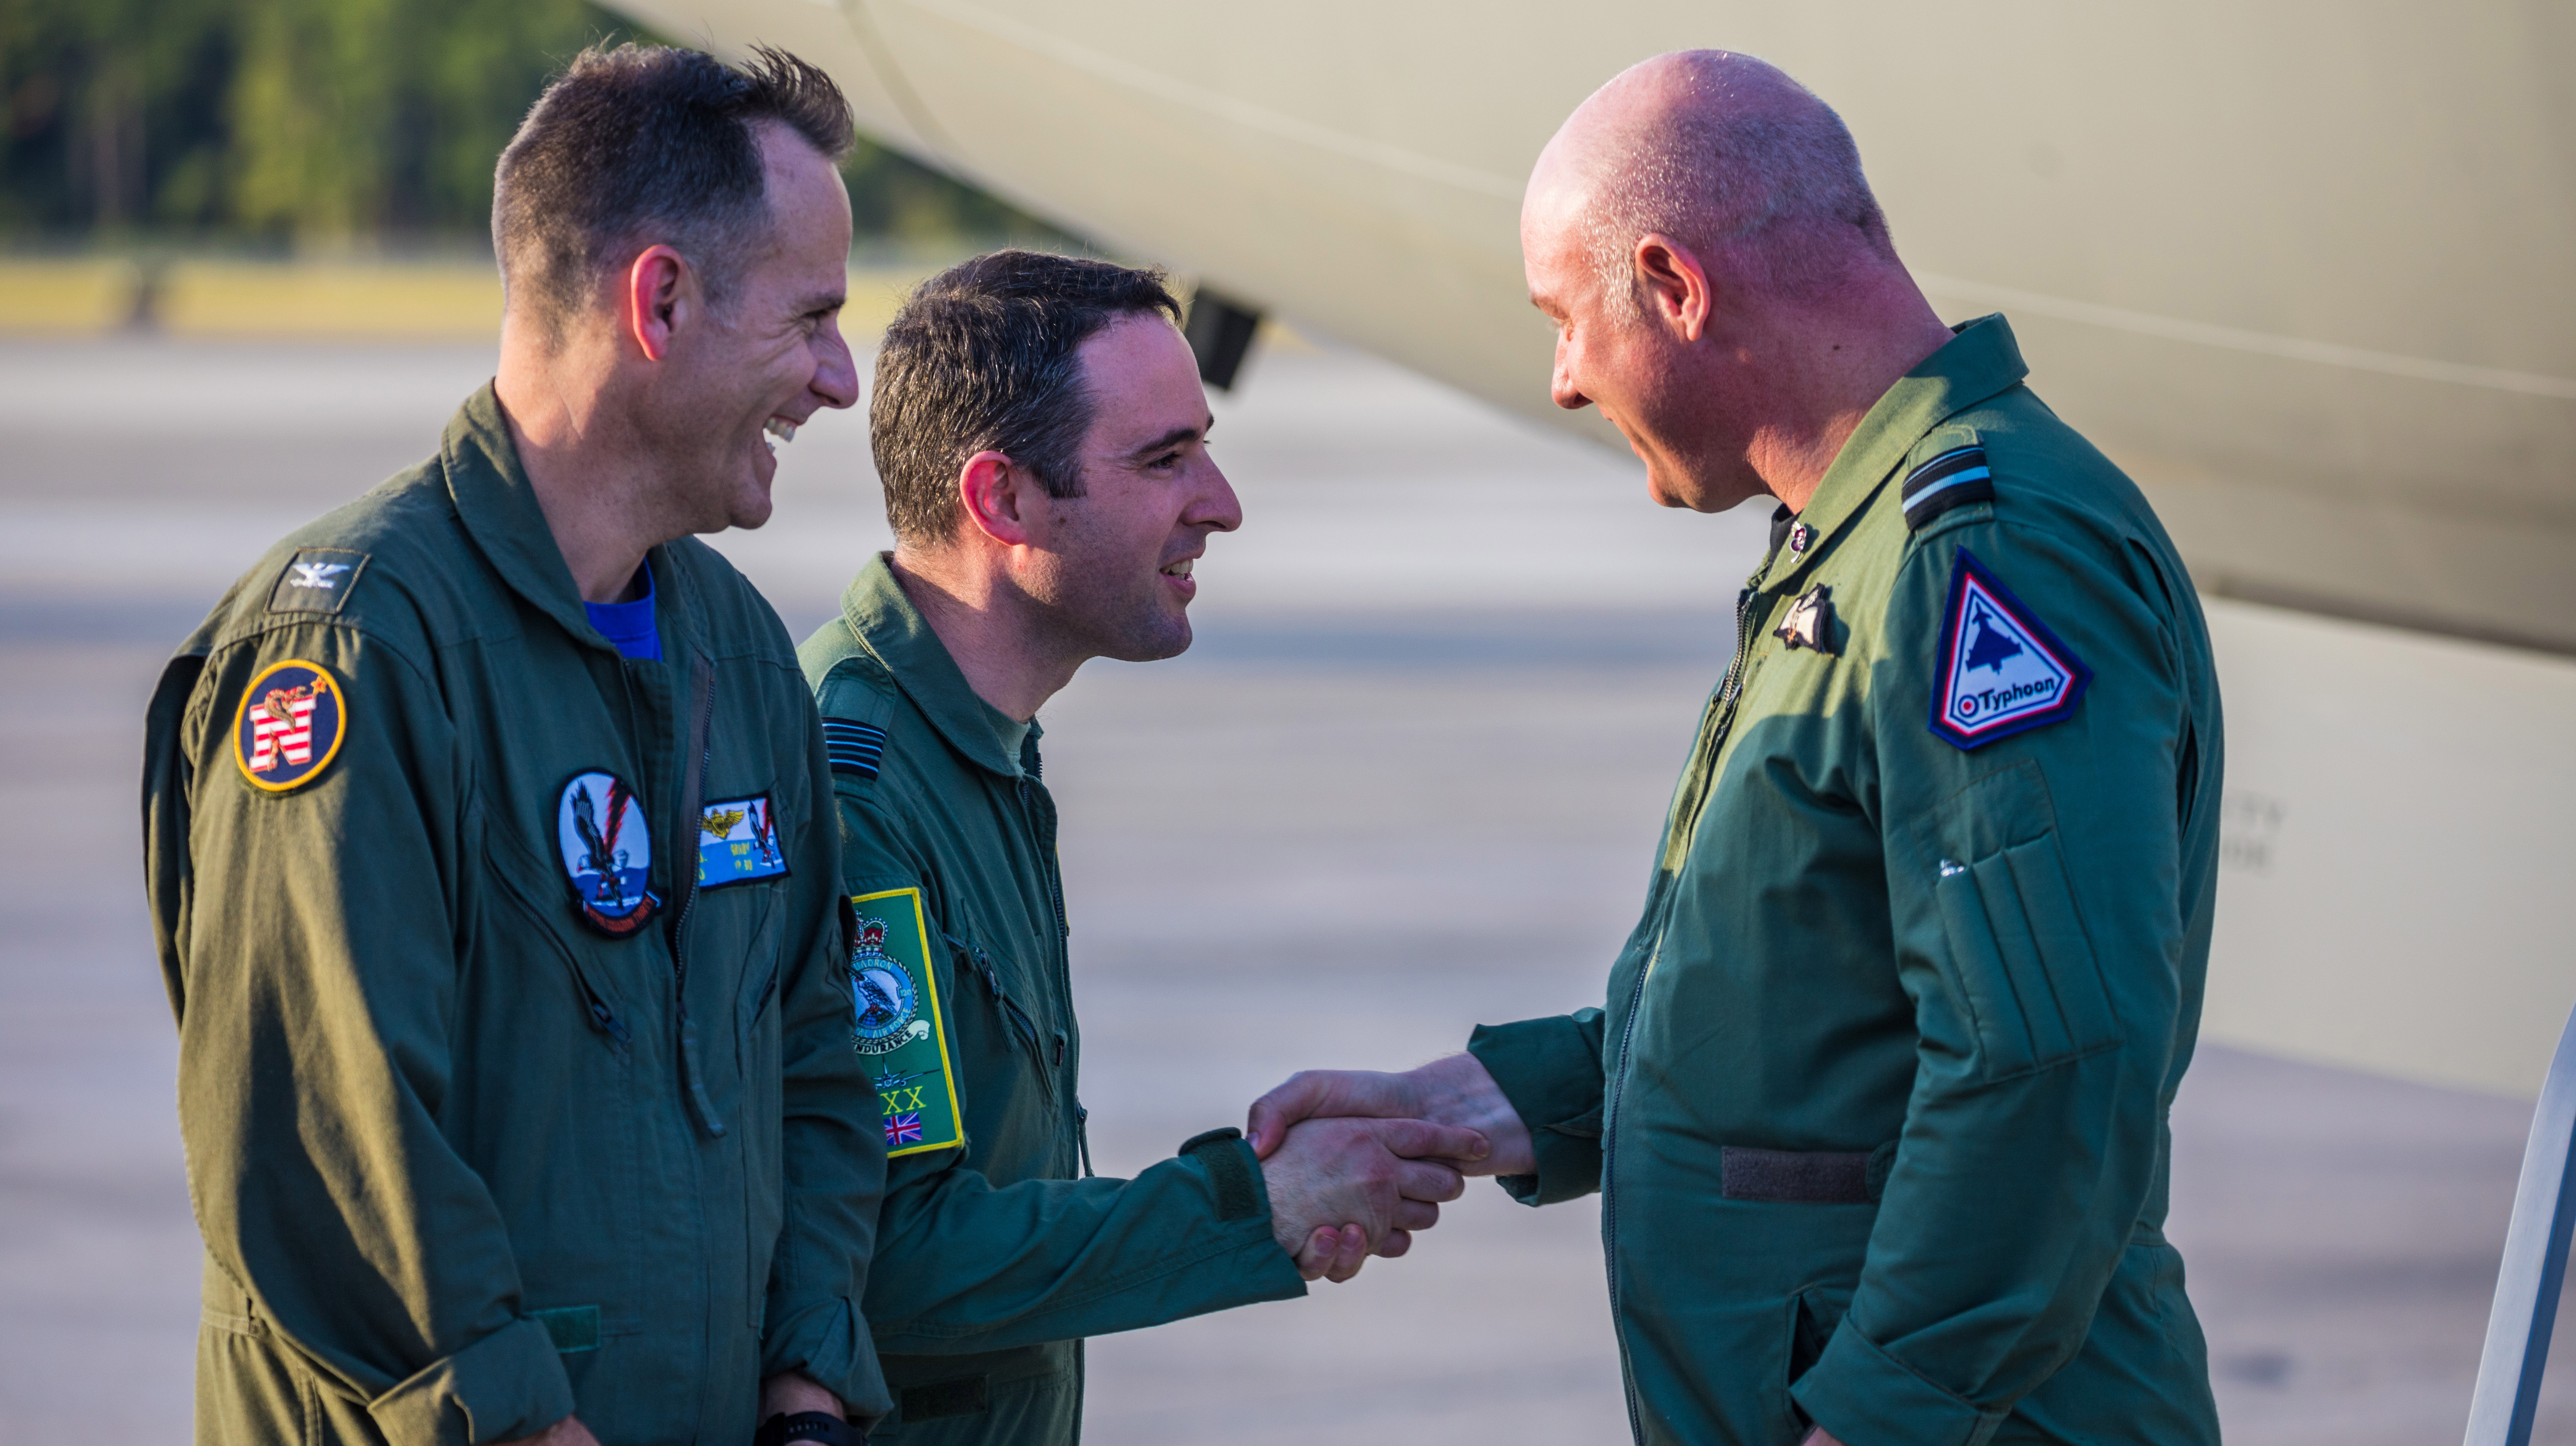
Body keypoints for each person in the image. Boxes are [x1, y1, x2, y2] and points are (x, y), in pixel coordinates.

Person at [1247, 50, 2225, 1446]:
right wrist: (1483, 1103)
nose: (1566, 379)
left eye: (1566, 320)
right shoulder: (1866, 544)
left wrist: (1886, 1412)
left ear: (1675, 286)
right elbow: (1820, 1000)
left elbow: (2049, 1056)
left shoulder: (1978, 554)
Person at [142, 44, 892, 1446]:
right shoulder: (353, 655)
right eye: (813, 319)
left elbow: (817, 1054)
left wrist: (805, 1380)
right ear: (661, 300)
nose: (842, 380)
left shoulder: (737, 653)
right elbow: (325, 1142)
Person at [798, 249, 1487, 1442]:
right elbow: (889, 1258)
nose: (1220, 503)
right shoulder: (862, 797)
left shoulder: (970, 749)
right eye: (1165, 459)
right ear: (1003, 500)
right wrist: (1258, 1203)